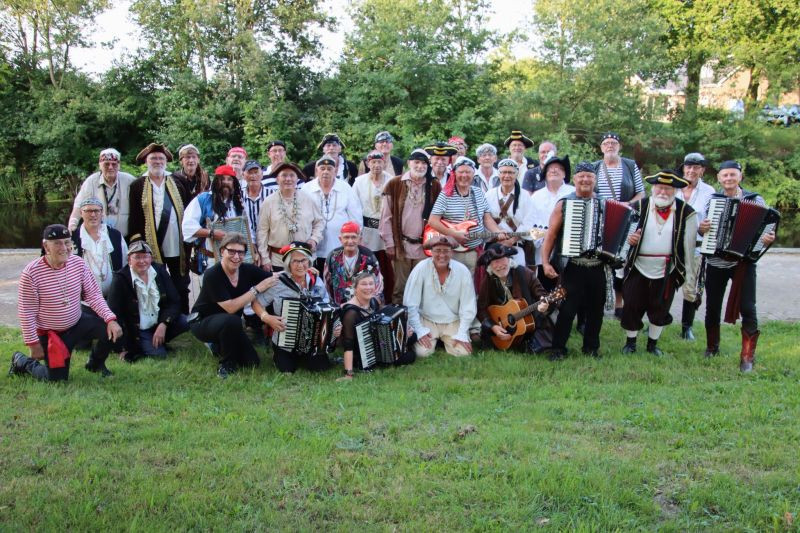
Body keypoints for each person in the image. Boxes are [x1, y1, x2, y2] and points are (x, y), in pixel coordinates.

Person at [10, 224, 122, 381]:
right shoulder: (31, 273)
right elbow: (27, 311)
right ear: (45, 246)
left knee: (112, 330)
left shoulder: (79, 264)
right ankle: (21, 361)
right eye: (57, 243)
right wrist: (33, 343)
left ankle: (95, 364)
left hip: (77, 323)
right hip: (52, 333)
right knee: (56, 380)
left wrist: (110, 319)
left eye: (67, 242)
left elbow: (94, 295)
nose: (64, 247)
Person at [698, 160, 775, 372]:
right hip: (716, 260)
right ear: (719, 179)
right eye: (725, 176)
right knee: (712, 305)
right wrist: (702, 229)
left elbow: (766, 229)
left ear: (740, 177)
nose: (729, 179)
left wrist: (768, 239)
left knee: (748, 307)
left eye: (733, 175)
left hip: (744, 262)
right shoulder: (712, 200)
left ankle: (747, 356)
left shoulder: (755, 199)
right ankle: (712, 347)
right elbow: (702, 229)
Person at [620, 170, 698, 356]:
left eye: (668, 188)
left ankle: (652, 345)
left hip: (667, 269)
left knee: (660, 308)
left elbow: (689, 247)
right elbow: (621, 238)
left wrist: (689, 278)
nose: (663, 191)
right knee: (631, 305)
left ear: (675, 190)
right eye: (659, 187)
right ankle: (630, 343)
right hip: (638, 265)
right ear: (653, 188)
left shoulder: (687, 212)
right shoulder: (637, 206)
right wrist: (629, 241)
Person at [540, 162, 606, 359]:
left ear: (595, 180)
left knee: (596, 309)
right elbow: (550, 236)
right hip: (572, 266)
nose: (585, 180)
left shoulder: (605, 204)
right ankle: (558, 348)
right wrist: (545, 262)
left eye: (589, 177)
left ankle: (591, 348)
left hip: (598, 266)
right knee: (567, 310)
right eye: (581, 176)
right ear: (574, 179)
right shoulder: (564, 203)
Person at [189, 233, 277, 378]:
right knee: (232, 319)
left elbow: (273, 278)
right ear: (222, 251)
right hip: (203, 322)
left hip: (229, 325)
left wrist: (300, 271)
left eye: (241, 252)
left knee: (252, 362)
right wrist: (256, 289)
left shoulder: (247, 270)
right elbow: (230, 308)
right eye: (231, 251)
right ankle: (226, 365)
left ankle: (218, 345)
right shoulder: (212, 274)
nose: (236, 257)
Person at [128, 143, 191, 313]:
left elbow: (190, 209)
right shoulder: (137, 185)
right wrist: (138, 243)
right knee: (157, 279)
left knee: (181, 280)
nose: (157, 161)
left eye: (160, 158)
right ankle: (160, 315)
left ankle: (184, 314)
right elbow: (134, 216)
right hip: (151, 242)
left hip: (177, 240)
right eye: (153, 158)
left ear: (166, 162)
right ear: (146, 161)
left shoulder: (179, 181)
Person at [254, 241, 334, 373]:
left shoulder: (316, 281)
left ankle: (306, 356)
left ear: (309, 262)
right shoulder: (277, 282)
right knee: (286, 369)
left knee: (320, 368)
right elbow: (256, 302)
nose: (300, 265)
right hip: (285, 340)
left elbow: (327, 309)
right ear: (288, 264)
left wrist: (332, 327)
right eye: (295, 261)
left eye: (303, 260)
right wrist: (267, 318)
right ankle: (279, 355)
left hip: (311, 341)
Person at [107, 240, 189, 362]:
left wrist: (163, 324)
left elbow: (174, 301)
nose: (142, 261)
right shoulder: (120, 278)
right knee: (159, 356)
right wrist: (122, 346)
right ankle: (140, 347)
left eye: (145, 256)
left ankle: (158, 340)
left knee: (186, 321)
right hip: (138, 329)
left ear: (151, 258)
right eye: (137, 257)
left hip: (158, 323)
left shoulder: (160, 271)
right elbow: (114, 312)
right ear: (129, 260)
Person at [379, 148, 442, 304]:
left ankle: (418, 325)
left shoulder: (434, 185)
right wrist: (390, 244)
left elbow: (441, 217)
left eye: (423, 163)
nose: (420, 166)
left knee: (422, 288)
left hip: (424, 247)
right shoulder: (394, 183)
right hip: (401, 246)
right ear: (409, 163)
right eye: (416, 162)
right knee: (400, 289)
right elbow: (385, 217)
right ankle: (398, 323)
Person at [593, 132, 645, 318]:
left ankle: (619, 304)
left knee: (622, 261)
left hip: (627, 219)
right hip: (601, 220)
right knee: (599, 258)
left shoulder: (630, 166)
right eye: (606, 143)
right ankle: (598, 300)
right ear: (601, 148)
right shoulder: (595, 167)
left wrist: (627, 205)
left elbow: (641, 193)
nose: (610, 146)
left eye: (613, 143)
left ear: (619, 146)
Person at [427, 156, 507, 275]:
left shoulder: (478, 192)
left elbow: (487, 218)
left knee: (472, 288)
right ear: (454, 173)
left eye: (468, 172)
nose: (464, 175)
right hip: (453, 251)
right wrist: (453, 233)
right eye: (461, 172)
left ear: (473, 174)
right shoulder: (446, 194)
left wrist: (497, 231)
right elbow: (433, 221)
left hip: (475, 250)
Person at [403, 235, 477, 357]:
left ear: (452, 252)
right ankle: (437, 340)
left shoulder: (462, 271)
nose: (441, 255)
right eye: (437, 251)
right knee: (422, 353)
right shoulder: (421, 268)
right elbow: (410, 303)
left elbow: (468, 305)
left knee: (463, 353)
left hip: (453, 321)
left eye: (446, 251)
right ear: (431, 251)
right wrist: (419, 330)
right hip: (427, 319)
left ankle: (444, 339)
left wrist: (463, 333)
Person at [337, 270, 416, 380]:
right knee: (409, 357)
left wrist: (404, 329)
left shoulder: (373, 301)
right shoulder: (351, 312)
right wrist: (348, 374)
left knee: (413, 336)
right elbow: (348, 345)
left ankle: (401, 347)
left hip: (378, 342)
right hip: (364, 355)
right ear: (355, 288)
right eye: (364, 284)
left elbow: (385, 321)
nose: (368, 287)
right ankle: (401, 349)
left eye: (371, 284)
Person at [476, 243, 551, 353]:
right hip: (501, 323)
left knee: (538, 342)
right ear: (489, 266)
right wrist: (493, 327)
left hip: (529, 321)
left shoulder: (525, 273)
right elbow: (481, 308)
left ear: (509, 259)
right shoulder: (488, 280)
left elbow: (542, 294)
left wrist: (544, 304)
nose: (500, 265)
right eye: (495, 262)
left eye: (503, 259)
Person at [675, 152, 716, 340]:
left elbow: (713, 219)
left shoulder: (709, 191)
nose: (691, 170)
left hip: (695, 246)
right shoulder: (672, 186)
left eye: (696, 167)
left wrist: (706, 226)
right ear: (683, 168)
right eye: (688, 167)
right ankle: (656, 320)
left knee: (690, 286)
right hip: (670, 245)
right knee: (663, 285)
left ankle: (686, 327)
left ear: (702, 170)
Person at [257, 162, 324, 272]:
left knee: (304, 288)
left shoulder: (308, 199)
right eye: (284, 175)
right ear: (277, 179)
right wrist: (265, 258)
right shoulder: (268, 202)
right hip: (279, 260)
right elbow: (262, 231)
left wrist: (314, 239)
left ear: (297, 179)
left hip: (305, 258)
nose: (288, 179)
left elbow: (319, 223)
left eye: (292, 175)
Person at [303, 155, 363, 272]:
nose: (326, 172)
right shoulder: (306, 189)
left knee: (339, 281)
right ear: (316, 171)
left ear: (335, 171)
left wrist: (356, 239)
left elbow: (356, 216)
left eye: (329, 169)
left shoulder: (345, 188)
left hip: (340, 246)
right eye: (322, 168)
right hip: (314, 246)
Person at [182, 164, 245, 272]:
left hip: (236, 260)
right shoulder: (203, 200)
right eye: (222, 179)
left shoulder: (238, 202)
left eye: (229, 179)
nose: (226, 182)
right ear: (216, 181)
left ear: (234, 182)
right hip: (211, 259)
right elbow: (187, 227)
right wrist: (211, 233)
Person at [352, 150, 395, 300]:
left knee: (387, 267)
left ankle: (387, 298)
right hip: (366, 231)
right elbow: (354, 207)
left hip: (385, 229)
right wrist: (358, 233)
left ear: (384, 163)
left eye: (379, 162)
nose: (376, 165)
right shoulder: (359, 182)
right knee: (368, 264)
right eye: (373, 162)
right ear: (368, 163)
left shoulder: (392, 180)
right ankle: (367, 297)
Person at [530, 154, 575, 290]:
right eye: (550, 169)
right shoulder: (536, 196)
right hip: (544, 246)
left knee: (569, 284)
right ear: (545, 173)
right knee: (546, 286)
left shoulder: (573, 192)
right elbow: (531, 223)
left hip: (569, 247)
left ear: (564, 174)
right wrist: (542, 240)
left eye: (559, 168)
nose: (554, 171)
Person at [68, 148, 135, 238]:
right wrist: (73, 224)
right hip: (99, 238)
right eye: (106, 164)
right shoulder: (91, 181)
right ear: (100, 165)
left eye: (114, 164)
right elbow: (78, 205)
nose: (110, 167)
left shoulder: (129, 181)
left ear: (119, 166)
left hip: (126, 237)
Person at [71, 197, 128, 297]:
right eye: (88, 211)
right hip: (83, 300)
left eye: (97, 211)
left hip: (113, 298)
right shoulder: (72, 238)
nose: (93, 214)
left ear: (102, 213)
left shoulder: (115, 236)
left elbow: (125, 264)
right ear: (81, 213)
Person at [485, 159, 536, 267]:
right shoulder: (489, 195)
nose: (506, 176)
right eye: (503, 172)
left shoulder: (525, 196)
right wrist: (497, 234)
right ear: (498, 174)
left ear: (516, 174)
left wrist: (512, 240)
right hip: (493, 245)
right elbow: (485, 218)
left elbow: (529, 222)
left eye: (511, 172)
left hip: (516, 246)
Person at [324, 221, 384, 305]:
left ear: (359, 239)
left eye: (354, 237)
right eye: (346, 237)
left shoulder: (369, 257)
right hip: (339, 307)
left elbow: (378, 287)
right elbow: (327, 285)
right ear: (340, 239)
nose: (350, 241)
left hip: (364, 306)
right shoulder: (332, 257)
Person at [240, 160, 270, 267]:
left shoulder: (272, 194)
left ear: (262, 174)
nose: (253, 176)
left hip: (268, 246)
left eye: (256, 172)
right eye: (249, 172)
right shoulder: (237, 196)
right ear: (243, 175)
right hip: (246, 247)